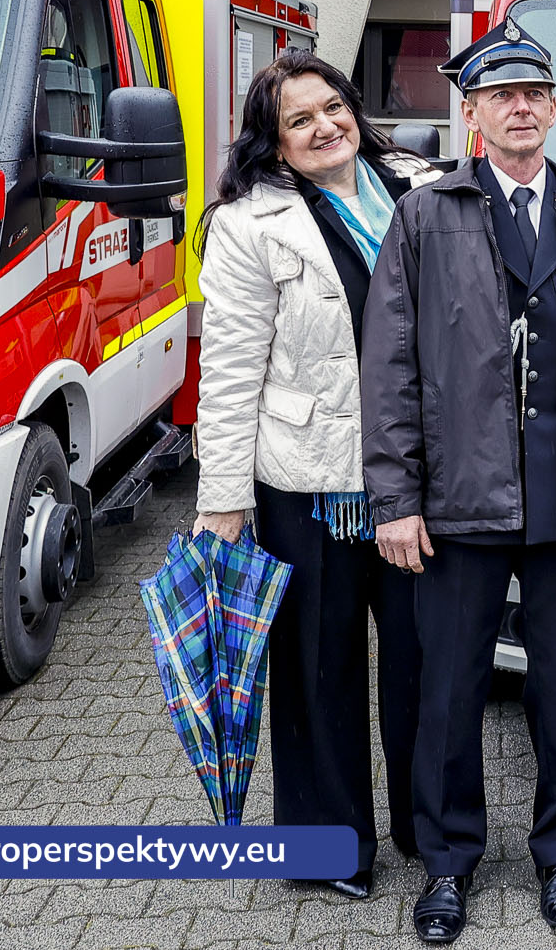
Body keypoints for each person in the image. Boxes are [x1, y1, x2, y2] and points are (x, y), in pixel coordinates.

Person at [361, 21, 556, 940]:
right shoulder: (424, 215)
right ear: (472, 112)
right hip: (459, 499)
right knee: (449, 690)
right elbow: (391, 366)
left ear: (555, 108)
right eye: (500, 96)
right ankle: (449, 862)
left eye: (533, 93)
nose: (519, 107)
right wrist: (396, 499)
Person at [191, 51, 437, 899]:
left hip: (416, 480)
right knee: (319, 666)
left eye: (332, 107)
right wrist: (222, 499)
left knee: (419, 658)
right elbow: (226, 370)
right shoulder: (249, 223)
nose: (324, 126)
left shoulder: (415, 186)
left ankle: (426, 821)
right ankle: (328, 846)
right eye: (300, 119)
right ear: (275, 140)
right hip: (310, 485)